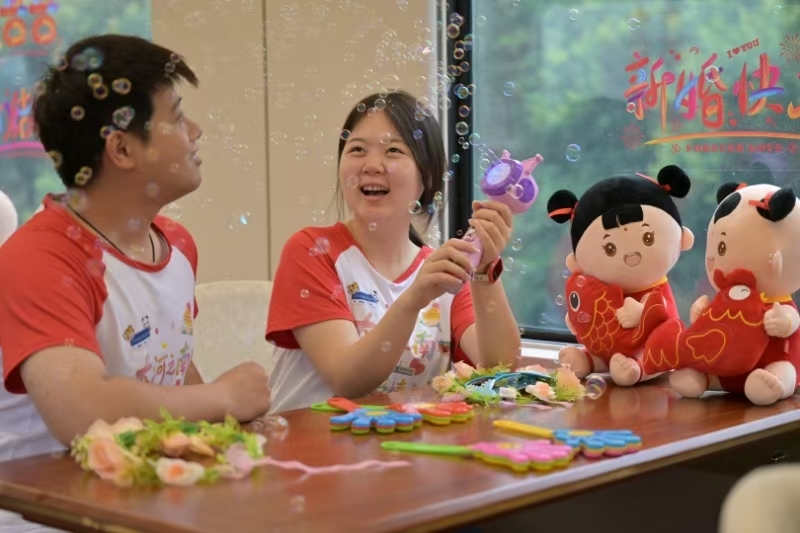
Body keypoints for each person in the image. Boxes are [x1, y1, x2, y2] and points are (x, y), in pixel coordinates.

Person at [0, 34, 271, 480]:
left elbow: (168, 371)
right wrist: (224, 396)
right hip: (40, 507)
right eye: (177, 116)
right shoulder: (39, 259)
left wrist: (226, 429)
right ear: (122, 149)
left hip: (139, 496)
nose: (196, 131)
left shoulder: (176, 244)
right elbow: (81, 412)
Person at [266, 90, 521, 413]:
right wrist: (414, 298)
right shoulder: (312, 251)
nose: (372, 165)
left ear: (426, 178)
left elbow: (499, 370)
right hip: (310, 443)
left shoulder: (443, 273)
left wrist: (484, 270)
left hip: (402, 442)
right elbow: (348, 380)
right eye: (357, 149)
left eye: (393, 151)